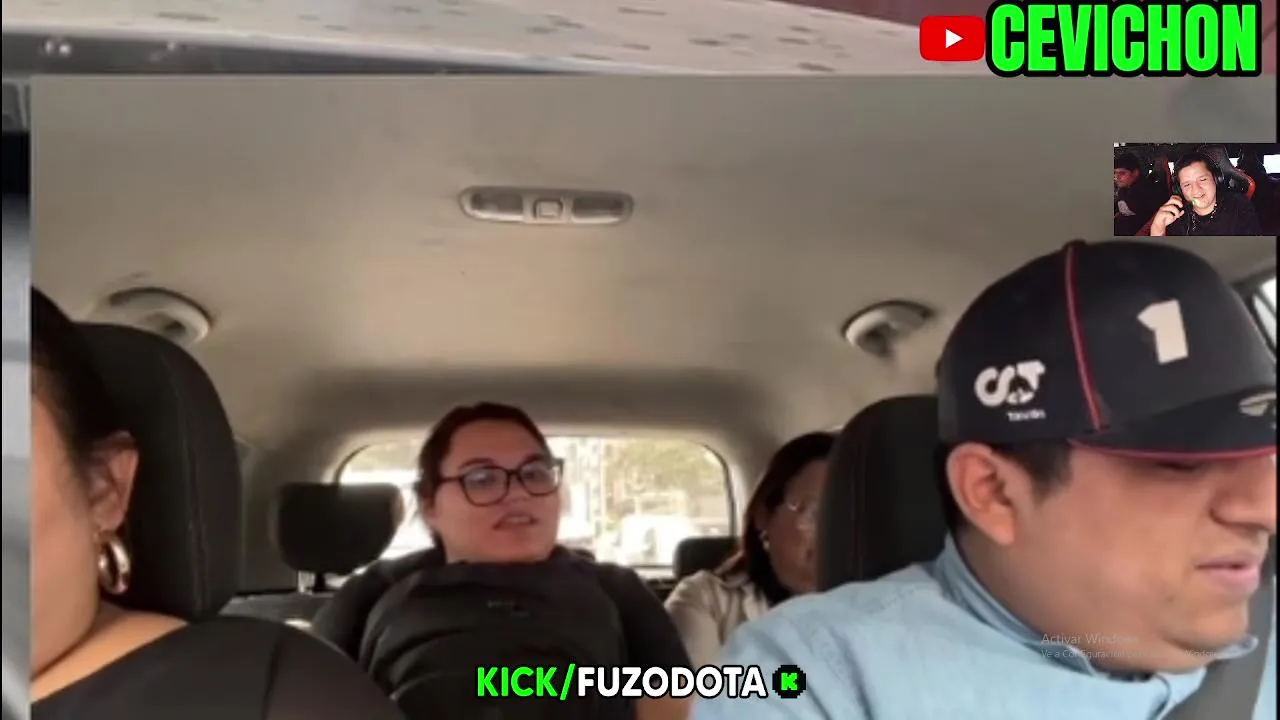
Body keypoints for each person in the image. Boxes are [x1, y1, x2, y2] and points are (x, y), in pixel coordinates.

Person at [692, 240, 1276, 719]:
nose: (1267, 508)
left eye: (1269, 452)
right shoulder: (812, 676)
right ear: (993, 493)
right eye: (1182, 460)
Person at [28, 289, 405, 720]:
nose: (502, 496)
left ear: (104, 488)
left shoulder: (290, 698)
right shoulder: (381, 602)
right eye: (473, 478)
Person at [312, 402, 692, 720]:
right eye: (481, 478)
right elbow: (302, 700)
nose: (518, 493)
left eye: (535, 473)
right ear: (429, 504)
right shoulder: (373, 591)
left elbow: (677, 705)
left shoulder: (616, 589)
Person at [664, 432, 833, 667]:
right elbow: (691, 690)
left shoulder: (877, 607)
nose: (835, 532)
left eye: (852, 516)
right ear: (764, 515)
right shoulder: (706, 602)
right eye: (816, 513)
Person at [1150, 152, 1263, 236]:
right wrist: (1157, 229)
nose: (1196, 190)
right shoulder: (1177, 215)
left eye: (1203, 180)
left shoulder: (1238, 205)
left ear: (1216, 178)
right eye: (1187, 184)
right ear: (1179, 190)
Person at [1113, 152, 1164, 236]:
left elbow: (1156, 218)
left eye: (1122, 173)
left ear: (1135, 173)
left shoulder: (1149, 192)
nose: (1116, 177)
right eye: (1115, 173)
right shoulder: (1124, 189)